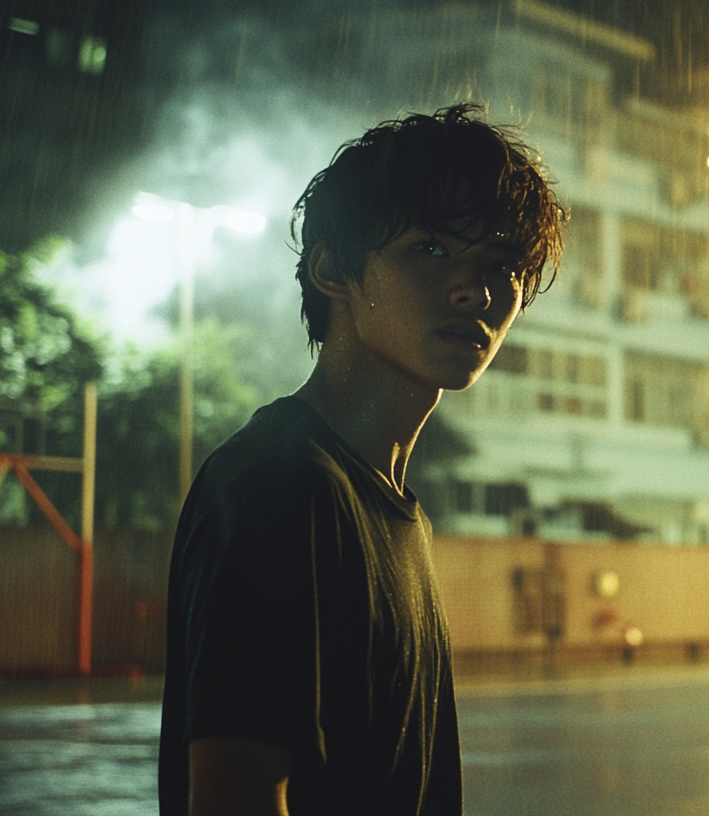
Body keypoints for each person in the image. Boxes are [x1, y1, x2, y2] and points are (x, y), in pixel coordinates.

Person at [158, 103, 565, 816]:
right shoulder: (282, 489)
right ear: (332, 271)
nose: (477, 288)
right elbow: (238, 797)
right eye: (430, 249)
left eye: (500, 263)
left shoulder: (388, 506)